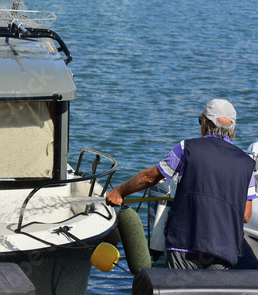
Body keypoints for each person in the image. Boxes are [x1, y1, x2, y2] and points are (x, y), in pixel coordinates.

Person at [106, 99, 256, 269]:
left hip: (184, 245)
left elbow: (150, 178)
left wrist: (119, 192)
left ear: (205, 124)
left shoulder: (187, 148)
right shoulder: (247, 163)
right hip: (223, 250)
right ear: (232, 128)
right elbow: (245, 215)